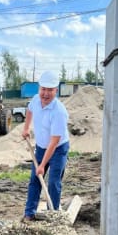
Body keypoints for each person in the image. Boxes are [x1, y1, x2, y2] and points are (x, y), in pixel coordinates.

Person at [21, 70, 70, 221]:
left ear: (56, 90)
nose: (46, 94)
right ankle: (29, 213)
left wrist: (42, 165)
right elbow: (29, 111)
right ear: (39, 88)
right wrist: (26, 128)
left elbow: (54, 142)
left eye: (50, 90)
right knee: (34, 180)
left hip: (58, 149)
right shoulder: (35, 100)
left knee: (54, 182)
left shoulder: (59, 112)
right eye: (43, 89)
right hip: (41, 147)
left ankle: (53, 215)